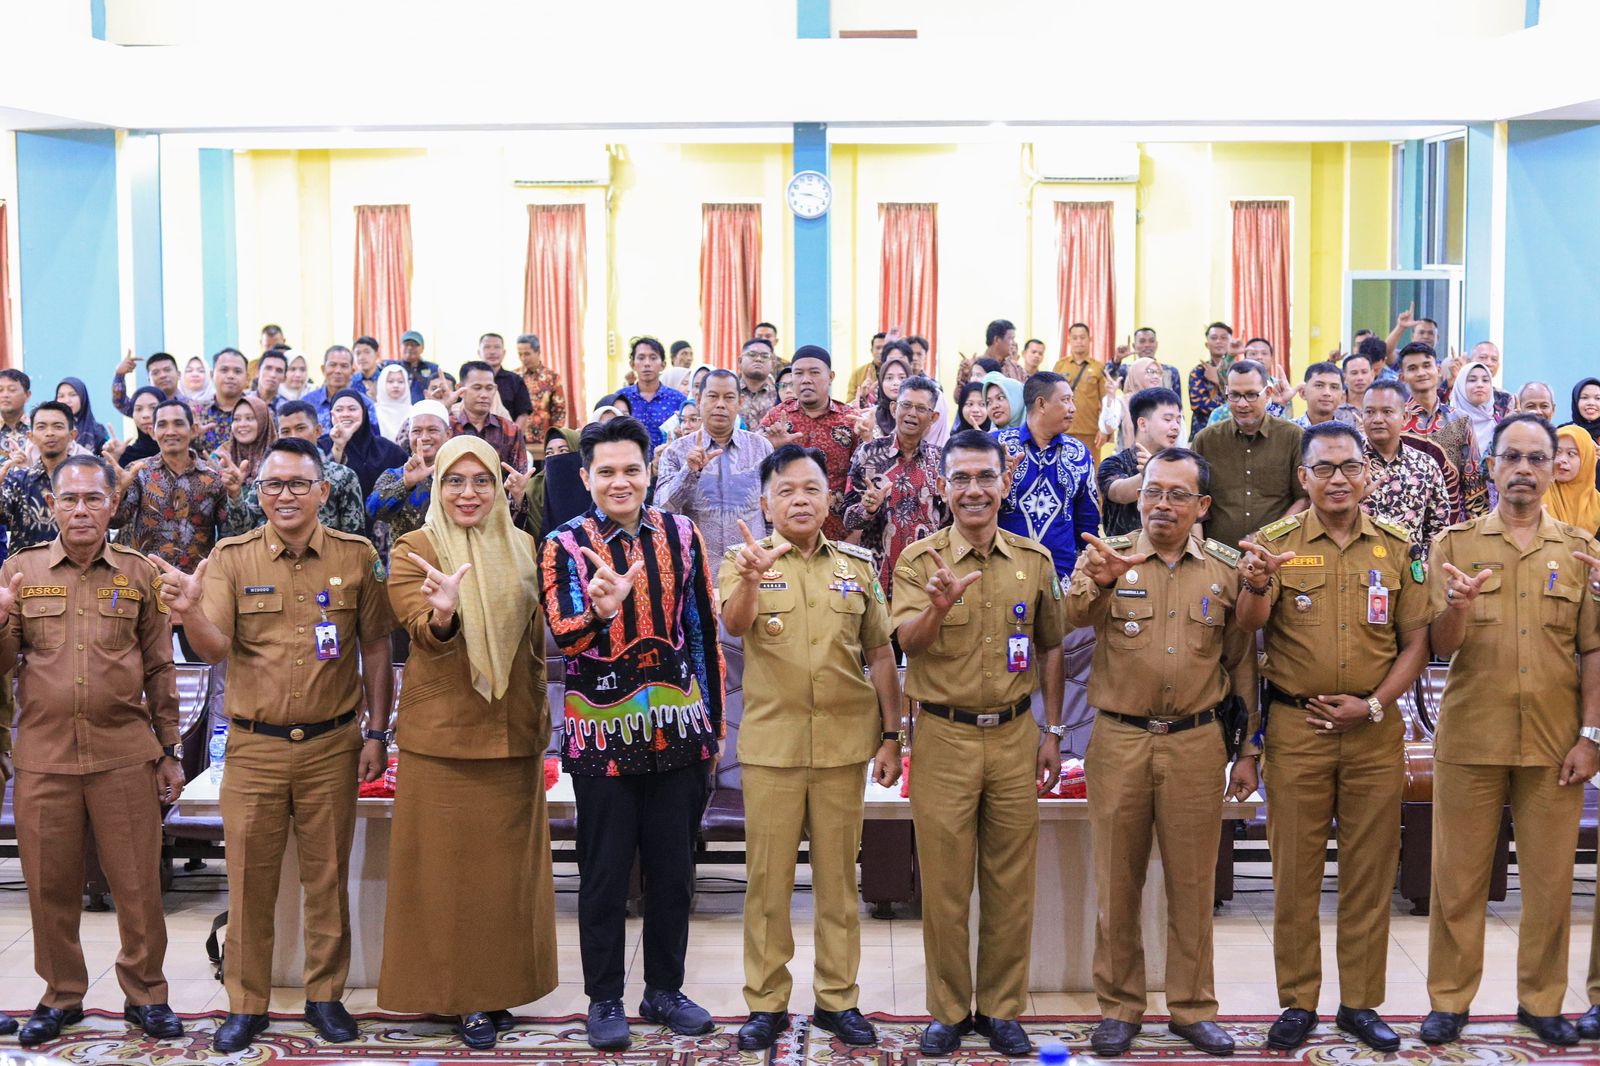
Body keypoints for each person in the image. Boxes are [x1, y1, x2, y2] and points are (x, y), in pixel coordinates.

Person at [152, 436, 397, 1054]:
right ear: (259, 493)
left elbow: (376, 648)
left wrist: (377, 733)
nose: (285, 495)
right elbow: (214, 648)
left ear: (322, 490)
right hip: (254, 748)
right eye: (272, 485)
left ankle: (325, 997)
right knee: (248, 881)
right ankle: (246, 1004)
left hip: (333, 745)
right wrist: (189, 611)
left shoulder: (356, 555)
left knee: (327, 878)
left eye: (297, 484)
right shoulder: (232, 558)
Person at [1232, 423, 1432, 1054]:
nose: (1338, 479)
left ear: (1367, 475)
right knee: (1294, 872)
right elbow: (1248, 627)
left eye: (1348, 467)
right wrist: (1257, 583)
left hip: (1374, 729)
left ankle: (1360, 1003)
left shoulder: (1397, 547)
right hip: (1298, 728)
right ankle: (1297, 1002)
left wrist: (1373, 704)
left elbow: (1417, 643)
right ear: (1304, 477)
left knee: (1370, 873)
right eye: (1324, 468)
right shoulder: (1275, 544)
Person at [539, 416, 725, 1051]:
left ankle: (664, 990)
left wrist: (712, 725)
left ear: (650, 473)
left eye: (632, 470)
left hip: (678, 727)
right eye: (607, 472)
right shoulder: (563, 544)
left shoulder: (682, 534)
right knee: (604, 873)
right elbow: (565, 636)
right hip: (601, 735)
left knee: (674, 871)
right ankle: (605, 998)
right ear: (586, 477)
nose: (620, 482)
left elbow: (701, 631)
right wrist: (601, 611)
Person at [1065, 447, 1257, 1058]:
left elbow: (1241, 665)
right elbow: (1071, 618)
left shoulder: (1224, 570)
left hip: (1197, 742)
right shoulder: (1108, 556)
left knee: (1194, 885)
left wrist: (1248, 749)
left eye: (1178, 494)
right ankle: (1119, 1007)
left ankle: (1193, 1007)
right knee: (1116, 882)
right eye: (1153, 492)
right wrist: (1099, 583)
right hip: (1119, 739)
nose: (1163, 505)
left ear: (1202, 506)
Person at [1420, 413, 1600, 1049]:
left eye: (1536, 458)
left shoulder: (1580, 551)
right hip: (1472, 736)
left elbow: (1593, 649)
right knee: (1457, 881)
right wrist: (1458, 608)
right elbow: (1439, 646)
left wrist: (1591, 736)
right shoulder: (1454, 545)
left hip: (1555, 743)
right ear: (1492, 466)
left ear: (1553, 470)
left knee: (1549, 884)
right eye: (1512, 457)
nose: (1523, 469)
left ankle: (1541, 1001)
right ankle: (1449, 1001)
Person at [720, 447, 903, 1052]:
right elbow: (735, 625)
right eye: (786, 490)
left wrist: (892, 735)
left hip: (843, 748)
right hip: (772, 748)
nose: (799, 499)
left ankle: (837, 999)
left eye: (811, 489)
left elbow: (881, 654)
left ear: (829, 499)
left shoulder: (857, 566)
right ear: (766, 502)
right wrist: (752, 579)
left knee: (838, 886)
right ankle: (766, 1002)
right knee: (767, 885)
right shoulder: (741, 560)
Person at [0, 455, 186, 1046]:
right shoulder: (21, 570)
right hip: (45, 758)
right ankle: (60, 995)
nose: (81, 510)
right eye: (69, 499)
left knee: (137, 885)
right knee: (49, 887)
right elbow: (3, 666)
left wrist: (170, 748)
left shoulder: (138, 573)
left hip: (124, 755)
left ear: (113, 504)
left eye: (93, 499)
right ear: (51, 505)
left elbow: (159, 667)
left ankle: (147, 994)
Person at [378, 437, 557, 1049]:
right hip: (445, 739)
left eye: (482, 480)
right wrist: (444, 614)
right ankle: (459, 996)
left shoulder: (524, 546)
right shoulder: (416, 548)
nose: (469, 493)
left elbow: (537, 638)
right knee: (448, 877)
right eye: (455, 480)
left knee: (506, 880)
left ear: (500, 488)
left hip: (514, 733)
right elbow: (420, 632)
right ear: (438, 487)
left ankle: (498, 987)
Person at [892, 429, 1065, 1058]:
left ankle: (1000, 1008)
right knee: (944, 884)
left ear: (1004, 482)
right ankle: (947, 1010)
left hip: (1017, 736)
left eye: (985, 477)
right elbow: (907, 644)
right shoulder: (918, 561)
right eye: (961, 478)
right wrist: (937, 608)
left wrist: (1053, 730)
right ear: (943, 487)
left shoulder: (1033, 560)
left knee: (1010, 882)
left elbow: (1052, 646)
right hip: (944, 736)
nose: (974, 490)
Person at [842, 374, 947, 598]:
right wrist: (868, 509)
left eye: (921, 408)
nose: (912, 413)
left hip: (925, 581)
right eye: (906, 405)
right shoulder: (868, 454)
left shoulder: (940, 461)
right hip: (876, 580)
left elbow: (949, 521)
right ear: (893, 408)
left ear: (933, 417)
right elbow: (848, 520)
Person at [655, 369, 772, 564]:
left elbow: (773, 510)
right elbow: (661, 510)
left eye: (729, 397)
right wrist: (688, 472)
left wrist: (768, 552)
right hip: (697, 568)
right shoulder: (676, 451)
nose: (720, 404)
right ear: (698, 399)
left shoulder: (761, 448)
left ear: (740, 402)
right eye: (713, 396)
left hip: (752, 566)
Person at [995, 370, 1101, 579]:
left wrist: (1085, 574)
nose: (1073, 408)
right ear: (1041, 404)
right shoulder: (997, 446)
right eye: (1065, 400)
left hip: (1062, 576)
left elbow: (1087, 521)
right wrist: (993, 476)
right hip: (1004, 575)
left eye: (1072, 400)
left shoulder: (1079, 453)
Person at [1193, 360, 1308, 548]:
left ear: (1268, 393)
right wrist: (1201, 552)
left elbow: (1304, 500)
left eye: (1251, 395)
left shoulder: (1293, 436)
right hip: (1218, 555)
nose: (1242, 404)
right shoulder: (1206, 440)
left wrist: (1267, 537)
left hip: (1278, 552)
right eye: (1234, 395)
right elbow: (1194, 501)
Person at [111, 399, 228, 575]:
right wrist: (118, 491)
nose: (171, 431)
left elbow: (230, 535)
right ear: (152, 432)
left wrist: (235, 494)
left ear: (193, 430)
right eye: (162, 425)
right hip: (147, 580)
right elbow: (116, 521)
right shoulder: (138, 472)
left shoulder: (213, 477)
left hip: (197, 582)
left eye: (178, 424)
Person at [759, 346, 862, 542]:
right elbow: (756, 473)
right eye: (798, 373)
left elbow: (863, 479)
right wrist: (771, 448)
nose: (806, 379)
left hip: (840, 535)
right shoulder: (776, 418)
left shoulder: (850, 420)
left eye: (814, 372)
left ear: (830, 377)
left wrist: (856, 534)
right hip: (787, 532)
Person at [224, 402, 366, 539]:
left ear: (318, 431)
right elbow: (243, 528)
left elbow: (354, 539)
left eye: (300, 428)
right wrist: (235, 494)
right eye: (285, 431)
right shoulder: (268, 475)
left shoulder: (342, 476)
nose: (293, 436)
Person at [1360, 382, 1452, 559]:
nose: (1377, 419)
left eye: (1387, 412)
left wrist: (1424, 566)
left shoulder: (1426, 466)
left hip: (1411, 570)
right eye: (1369, 412)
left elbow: (1438, 529)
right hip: (1358, 567)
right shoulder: (1349, 465)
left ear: (1404, 417)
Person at [1399, 342, 1487, 521]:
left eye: (1426, 365)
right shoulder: (1395, 421)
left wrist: (1478, 528)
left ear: (1438, 370)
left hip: (1450, 526)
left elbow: (1473, 482)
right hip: (1401, 525)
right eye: (1413, 368)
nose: (1421, 373)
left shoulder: (1460, 420)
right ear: (1402, 377)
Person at [322, 389, 409, 545]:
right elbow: (321, 486)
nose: (346, 414)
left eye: (352, 409)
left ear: (364, 412)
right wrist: (338, 447)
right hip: (335, 536)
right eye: (339, 409)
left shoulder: (387, 449)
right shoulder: (322, 446)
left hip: (382, 540)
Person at [1098, 387, 1182, 537]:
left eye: (1178, 420)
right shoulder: (1114, 464)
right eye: (1168, 419)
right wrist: (1149, 473)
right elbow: (1119, 493)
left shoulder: (1183, 465)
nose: (1176, 426)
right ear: (1143, 424)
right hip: (1126, 550)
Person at [368, 400, 452, 543]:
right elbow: (373, 510)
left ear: (448, 434)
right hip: (407, 555)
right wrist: (405, 483)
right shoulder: (395, 475)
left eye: (432, 430)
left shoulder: (460, 474)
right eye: (416, 431)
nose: (424, 437)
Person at [0, 402, 76, 556]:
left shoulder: (87, 480)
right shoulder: (17, 480)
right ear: (31, 436)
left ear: (72, 435)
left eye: (58, 426)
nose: (49, 433)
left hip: (78, 566)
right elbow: (2, 517)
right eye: (41, 427)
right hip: (26, 568)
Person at [453, 362, 529, 474]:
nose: (484, 395)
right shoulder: (448, 427)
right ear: (460, 389)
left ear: (495, 389)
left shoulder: (510, 430)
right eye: (477, 388)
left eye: (489, 388)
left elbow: (520, 474)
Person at [1051, 322, 1112, 458]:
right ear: (1069, 341)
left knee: (1090, 467)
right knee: (1062, 467)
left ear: (1090, 339)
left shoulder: (1098, 367)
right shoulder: (1060, 366)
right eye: (1075, 338)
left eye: (1082, 337)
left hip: (1090, 431)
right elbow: (1052, 398)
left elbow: (1106, 401)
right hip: (1063, 429)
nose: (1079, 341)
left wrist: (1104, 429)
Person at [615, 337, 686, 452]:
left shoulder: (678, 400)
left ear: (663, 364)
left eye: (653, 358)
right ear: (632, 364)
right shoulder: (621, 398)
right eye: (641, 358)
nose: (647, 363)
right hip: (629, 461)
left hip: (668, 461)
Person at [517, 334, 568, 458]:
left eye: (527, 354)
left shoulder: (552, 377)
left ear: (538, 352)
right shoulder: (514, 377)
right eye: (520, 354)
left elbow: (559, 411)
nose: (523, 358)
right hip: (518, 440)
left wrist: (553, 437)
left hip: (543, 441)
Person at [302, 346, 376, 429]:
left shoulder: (365, 404)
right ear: (323, 369)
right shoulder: (307, 402)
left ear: (352, 372)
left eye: (344, 366)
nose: (338, 371)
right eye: (333, 365)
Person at [192, 349, 249, 454]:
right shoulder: (196, 412)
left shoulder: (260, 413)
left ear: (247, 377)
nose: (231, 376)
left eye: (237, 371)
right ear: (212, 374)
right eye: (224, 370)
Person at [477, 333, 534, 432]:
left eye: (497, 347)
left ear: (503, 353)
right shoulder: (470, 380)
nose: (492, 352)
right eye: (487, 347)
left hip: (507, 436)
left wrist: (511, 436)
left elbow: (523, 414)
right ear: (479, 352)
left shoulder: (515, 380)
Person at [1550, 426, 1600, 534]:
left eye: (1571, 454)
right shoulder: (1535, 496)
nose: (1562, 460)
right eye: (1557, 452)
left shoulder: (1597, 504)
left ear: (1587, 459)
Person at [1187, 322, 1234, 437]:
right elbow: (1198, 404)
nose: (1219, 341)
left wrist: (1219, 381)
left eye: (1223, 338)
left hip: (1233, 431)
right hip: (1203, 432)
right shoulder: (1198, 371)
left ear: (1230, 342)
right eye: (1214, 338)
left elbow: (1244, 401)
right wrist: (1230, 406)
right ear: (1207, 344)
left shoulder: (1239, 371)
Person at [217, 395, 277, 484]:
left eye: (249, 418)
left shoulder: (278, 457)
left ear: (263, 421)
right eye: (237, 419)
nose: (242, 424)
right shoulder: (222, 455)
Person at [956, 320, 1024, 389]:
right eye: (1010, 338)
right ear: (997, 339)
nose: (1014, 343)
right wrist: (965, 377)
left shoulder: (1015, 368)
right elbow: (959, 395)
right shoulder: (972, 366)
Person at [1454, 361, 1501, 459]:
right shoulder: (1447, 422)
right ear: (1461, 385)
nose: (1480, 385)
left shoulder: (1499, 425)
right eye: (1472, 380)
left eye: (1485, 380)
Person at [110, 351, 181, 416]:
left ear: (178, 374)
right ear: (149, 380)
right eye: (156, 373)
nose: (162, 375)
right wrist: (119, 374)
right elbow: (120, 403)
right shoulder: (144, 408)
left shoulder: (187, 404)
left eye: (167, 370)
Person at [1292, 361, 1358, 430]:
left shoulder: (1348, 434)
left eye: (1334, 387)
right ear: (1303, 392)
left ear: (1342, 396)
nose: (1327, 393)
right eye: (1319, 385)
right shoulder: (1289, 431)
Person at [53, 378, 110, 455]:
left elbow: (108, 458)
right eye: (61, 396)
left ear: (83, 398)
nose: (67, 400)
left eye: (73, 395)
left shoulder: (98, 431)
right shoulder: (50, 430)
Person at [868, 350, 912, 439]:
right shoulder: (870, 416)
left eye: (902, 377)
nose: (896, 382)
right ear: (881, 382)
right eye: (889, 378)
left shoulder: (917, 414)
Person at [117, 386, 164, 468]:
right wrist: (114, 458)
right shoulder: (125, 455)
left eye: (153, 408)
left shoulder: (181, 448)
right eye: (138, 409)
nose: (145, 415)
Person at [737, 338, 779, 429]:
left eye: (764, 356)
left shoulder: (780, 395)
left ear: (773, 365)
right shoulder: (729, 392)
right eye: (752, 355)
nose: (758, 359)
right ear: (740, 361)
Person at [1337, 346, 1380, 424]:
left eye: (1364, 372)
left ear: (1372, 374)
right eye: (1354, 373)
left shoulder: (1384, 402)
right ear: (1344, 377)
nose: (1360, 378)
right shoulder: (1335, 404)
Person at [372, 363, 413, 442]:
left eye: (400, 381)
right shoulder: (374, 412)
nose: (395, 385)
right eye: (390, 381)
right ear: (382, 384)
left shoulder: (413, 411)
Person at [844, 331, 889, 402]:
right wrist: (863, 396)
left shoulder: (898, 372)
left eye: (884, 348)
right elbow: (849, 403)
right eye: (878, 348)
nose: (881, 351)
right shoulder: (857, 373)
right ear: (871, 351)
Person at [397, 330, 441, 400]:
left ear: (422, 348)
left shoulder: (433, 368)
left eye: (414, 344)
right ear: (400, 347)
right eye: (406, 344)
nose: (409, 347)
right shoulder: (391, 367)